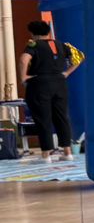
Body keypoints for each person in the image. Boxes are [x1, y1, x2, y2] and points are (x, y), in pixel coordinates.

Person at [19, 20, 78, 161]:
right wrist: (67, 72)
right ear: (48, 32)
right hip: (59, 83)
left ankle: (46, 154)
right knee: (61, 116)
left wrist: (23, 77)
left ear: (33, 33)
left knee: (43, 118)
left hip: (40, 84)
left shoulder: (33, 44)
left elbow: (23, 60)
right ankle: (67, 152)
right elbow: (79, 57)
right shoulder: (61, 44)